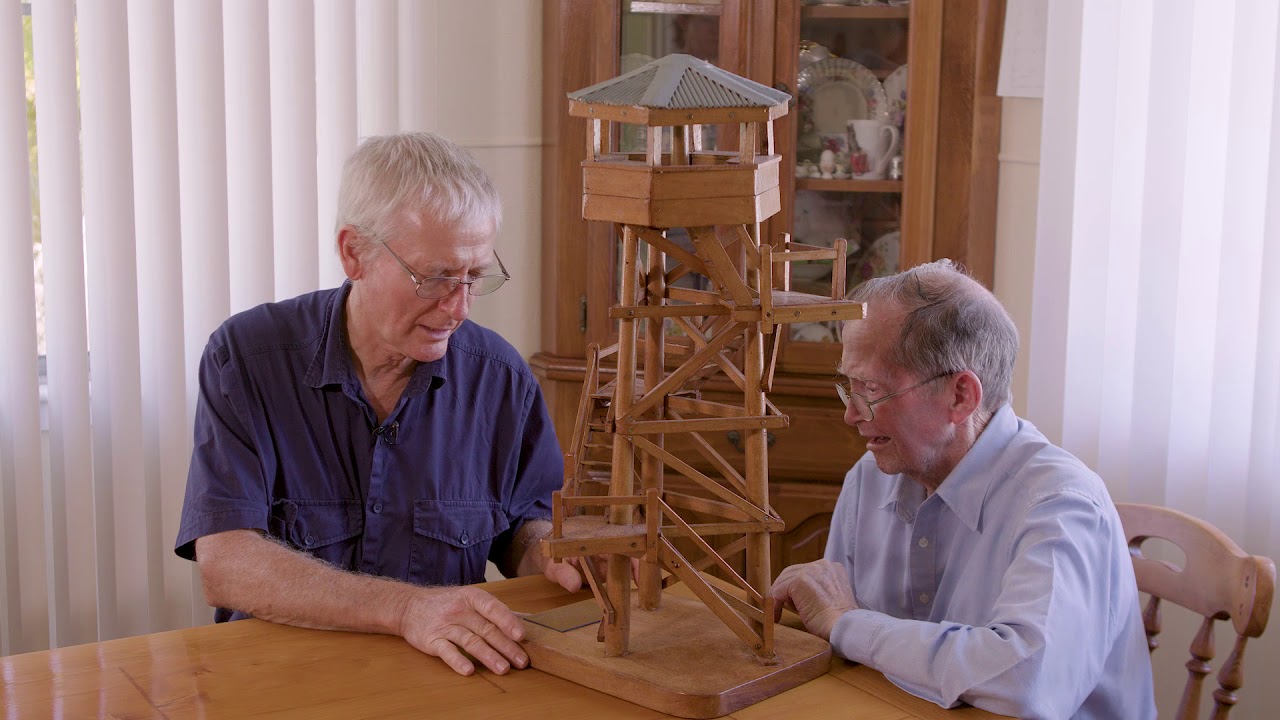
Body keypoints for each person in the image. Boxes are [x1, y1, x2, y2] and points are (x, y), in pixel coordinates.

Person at [175, 132, 584, 678]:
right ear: (354, 253)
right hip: (278, 683)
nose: (458, 307)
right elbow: (227, 564)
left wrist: (553, 553)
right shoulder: (247, 359)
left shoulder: (500, 378)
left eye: (474, 277)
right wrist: (406, 608)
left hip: (441, 687)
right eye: (435, 277)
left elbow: (522, 528)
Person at [772, 260, 1156, 719]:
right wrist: (836, 621)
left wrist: (849, 624)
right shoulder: (870, 478)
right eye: (847, 388)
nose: (851, 415)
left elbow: (1025, 685)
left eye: (870, 389)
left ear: (961, 397)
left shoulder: (1062, 506)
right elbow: (836, 645)